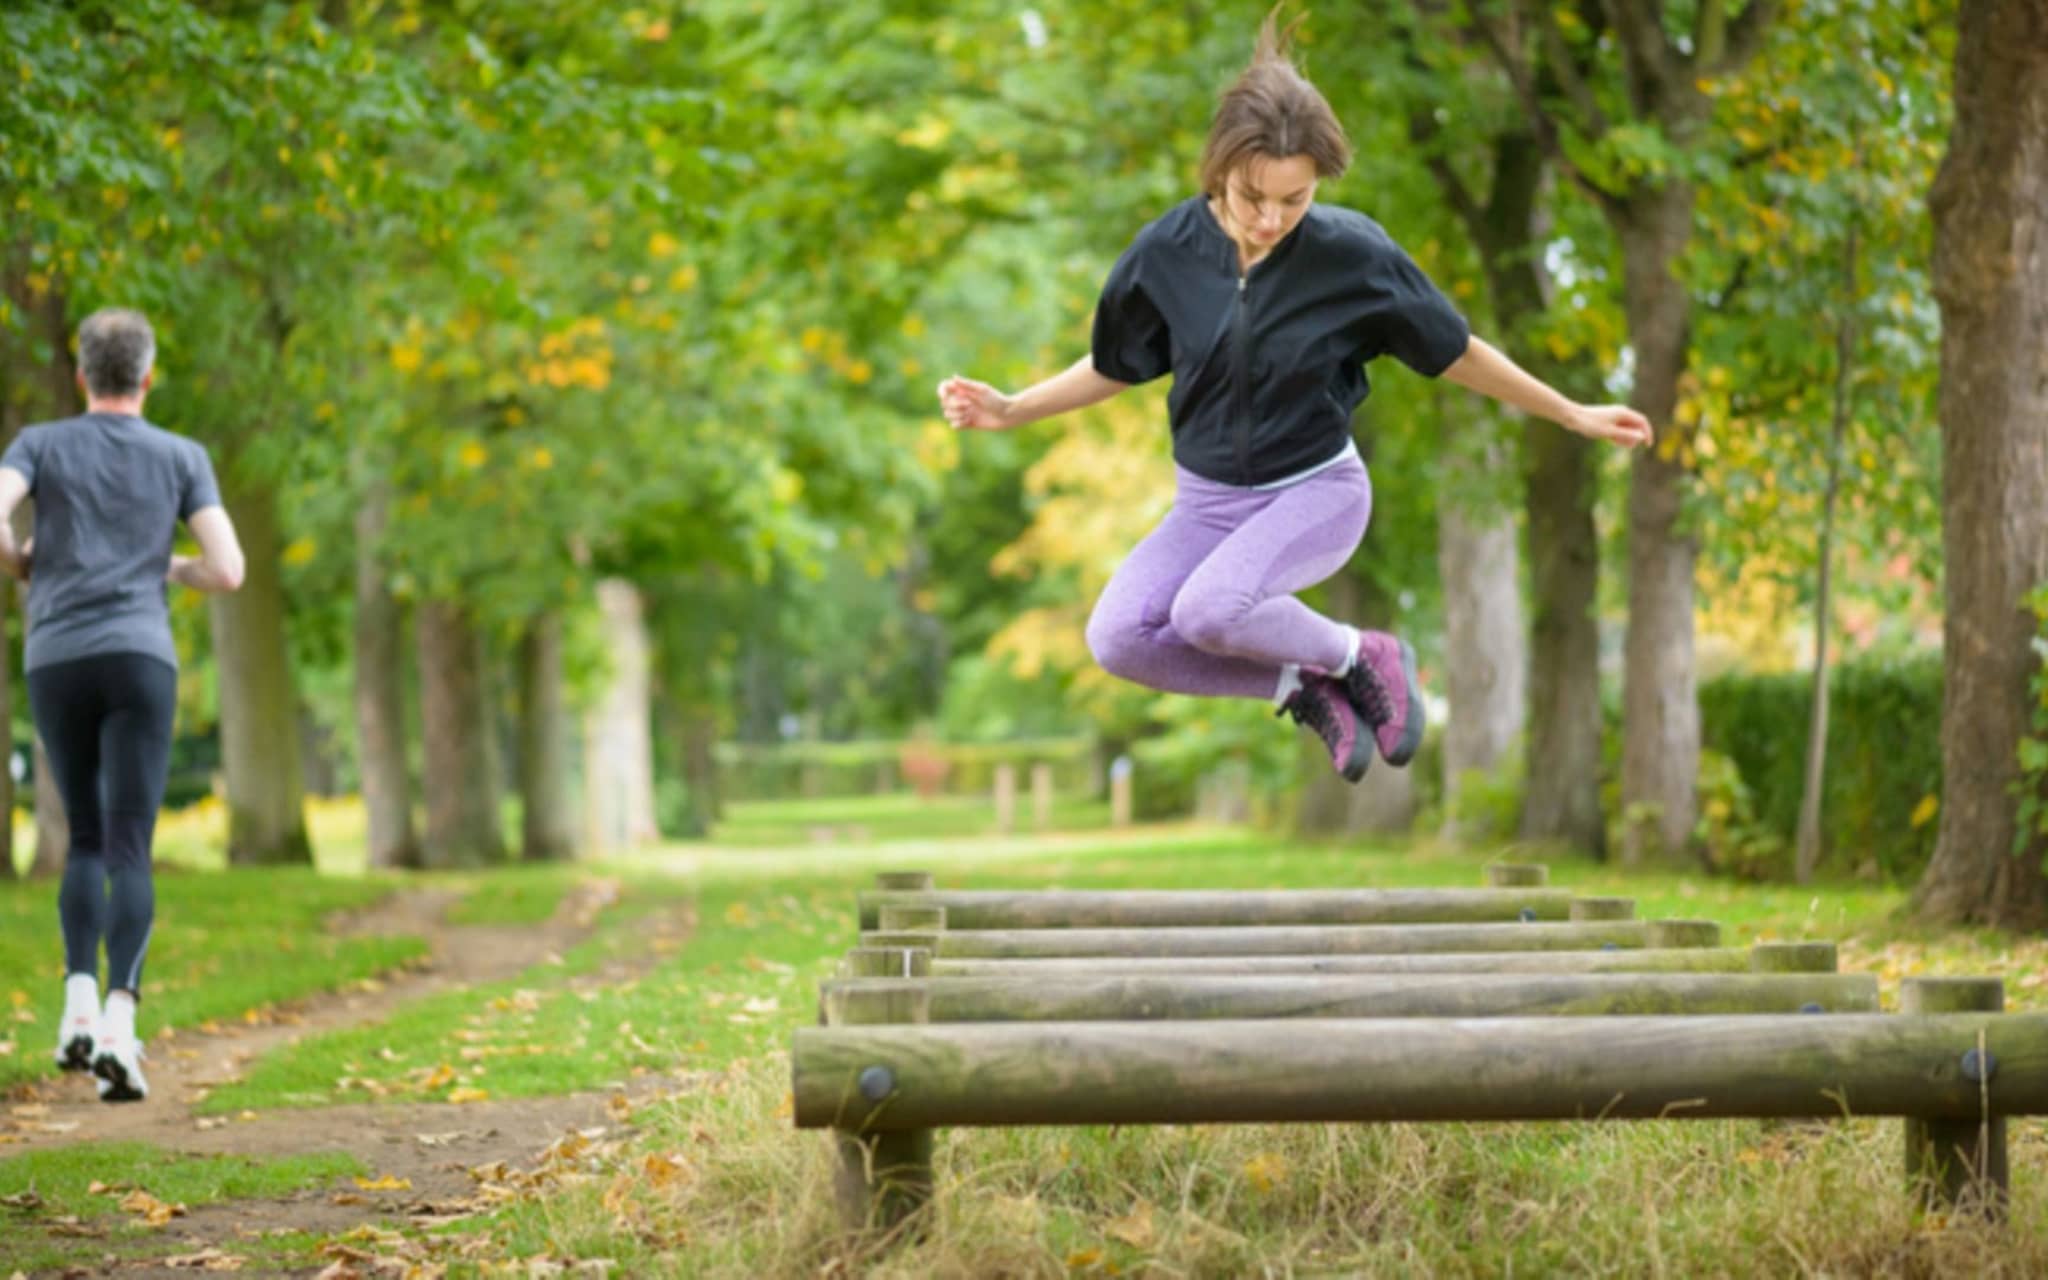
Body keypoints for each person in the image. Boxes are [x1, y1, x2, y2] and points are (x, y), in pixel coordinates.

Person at [937, 16, 1651, 783]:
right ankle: (1305, 683)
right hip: (1207, 506)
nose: (1272, 218)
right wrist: (1012, 409)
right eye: (1254, 197)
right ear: (1220, 170)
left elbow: (1454, 352)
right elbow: (1117, 364)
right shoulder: (1165, 255)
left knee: (1207, 611)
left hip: (1316, 493)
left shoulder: (1352, 256)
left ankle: (1363, 653)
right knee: (1118, 638)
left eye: (1295, 199)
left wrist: (1572, 412)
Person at [0, 307, 245, 1103]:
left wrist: (21, 562)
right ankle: (118, 1027)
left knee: (81, 841)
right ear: (147, 375)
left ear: (80, 374)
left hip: (58, 656)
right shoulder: (182, 456)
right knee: (132, 847)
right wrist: (165, 569)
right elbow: (230, 569)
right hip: (141, 656)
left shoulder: (41, 443)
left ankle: (75, 1011)